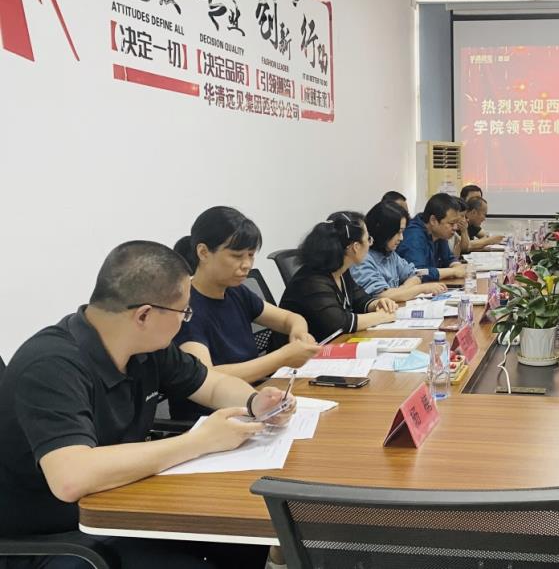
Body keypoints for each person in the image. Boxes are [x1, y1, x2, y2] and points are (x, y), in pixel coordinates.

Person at [0, 241, 291, 568]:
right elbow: (71, 478)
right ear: (144, 315)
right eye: (184, 312)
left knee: (243, 541)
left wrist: (254, 401)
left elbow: (210, 384)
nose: (185, 321)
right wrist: (199, 442)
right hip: (56, 538)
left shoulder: (148, 347)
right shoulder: (50, 366)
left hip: (122, 502)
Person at [170, 206, 321, 421]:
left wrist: (299, 333)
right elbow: (206, 378)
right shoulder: (185, 308)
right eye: (236, 256)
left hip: (255, 401)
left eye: (251, 255)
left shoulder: (236, 292)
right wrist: (283, 357)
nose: (247, 265)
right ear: (203, 252)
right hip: (212, 418)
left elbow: (291, 318)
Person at [276, 212, 399, 343]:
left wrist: (377, 304)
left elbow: (359, 300)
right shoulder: (312, 282)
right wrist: (381, 317)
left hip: (326, 345)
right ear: (355, 247)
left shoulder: (340, 270)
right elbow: (339, 324)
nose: (370, 244)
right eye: (368, 239)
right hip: (296, 353)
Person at [351, 201, 450, 302]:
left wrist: (402, 290)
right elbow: (383, 296)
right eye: (398, 232)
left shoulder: (390, 254)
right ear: (383, 230)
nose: (401, 238)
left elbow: (415, 275)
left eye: (402, 232)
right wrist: (421, 289)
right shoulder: (362, 259)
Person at [397, 193, 467, 281]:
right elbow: (417, 272)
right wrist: (452, 271)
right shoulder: (414, 236)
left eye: (457, 223)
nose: (455, 227)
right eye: (451, 223)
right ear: (433, 220)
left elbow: (448, 258)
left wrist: (457, 266)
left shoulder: (439, 233)